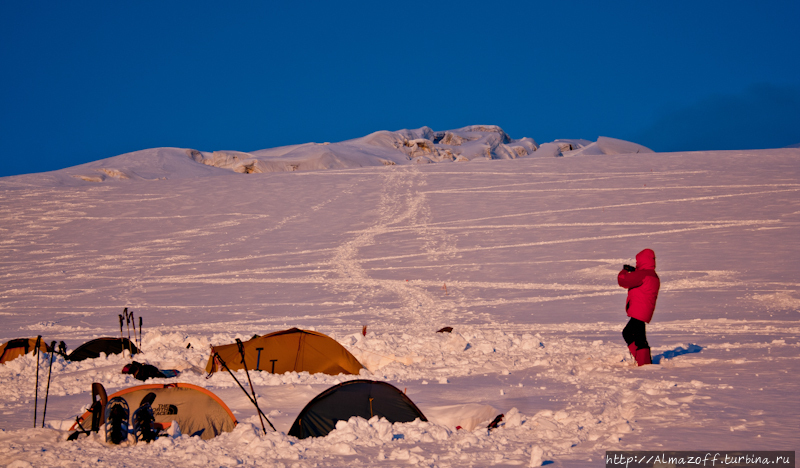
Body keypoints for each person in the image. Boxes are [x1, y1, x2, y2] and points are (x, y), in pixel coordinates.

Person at [618, 248, 660, 366]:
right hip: (643, 310)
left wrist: (624, 271)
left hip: (639, 310)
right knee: (628, 333)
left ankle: (644, 363)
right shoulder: (652, 275)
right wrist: (636, 271)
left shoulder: (643, 274)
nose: (637, 264)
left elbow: (623, 281)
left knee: (639, 337)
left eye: (638, 262)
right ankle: (640, 359)